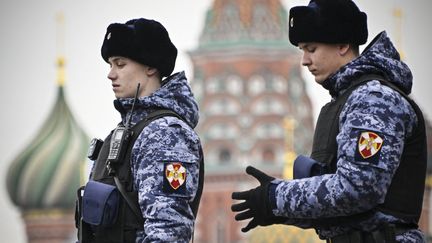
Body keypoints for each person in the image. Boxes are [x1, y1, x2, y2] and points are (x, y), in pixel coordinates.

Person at [231, 0, 427, 242]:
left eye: (311, 49)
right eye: (302, 50)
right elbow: (344, 210)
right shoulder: (347, 100)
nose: (304, 60)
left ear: (343, 44)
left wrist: (276, 197)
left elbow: (358, 190)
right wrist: (278, 209)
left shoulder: (374, 99)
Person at [75, 18, 204, 243]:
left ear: (150, 67)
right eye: (110, 65)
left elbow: (168, 233)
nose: (111, 74)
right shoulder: (125, 133)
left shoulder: (166, 134)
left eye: (120, 64)